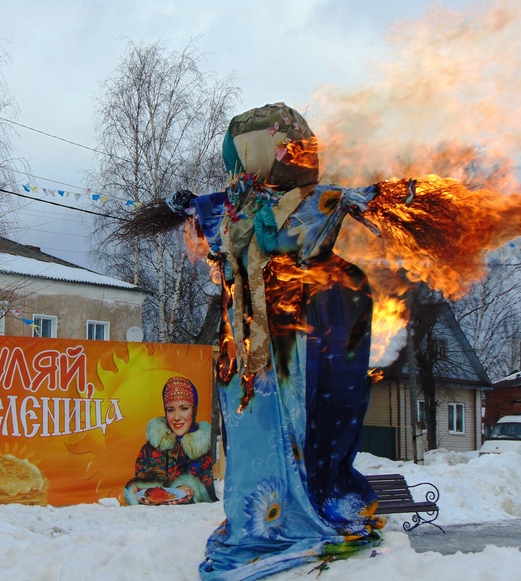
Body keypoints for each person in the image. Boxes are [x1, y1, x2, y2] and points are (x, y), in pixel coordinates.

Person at [118, 103, 400, 579]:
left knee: (307, 424)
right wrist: (181, 209)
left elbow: (358, 206)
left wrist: (384, 199)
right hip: (247, 351)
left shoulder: (316, 199)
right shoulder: (224, 206)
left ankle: (304, 508)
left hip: (300, 339)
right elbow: (207, 243)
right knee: (255, 438)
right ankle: (261, 517)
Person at [123, 376, 217, 505]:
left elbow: (214, 491)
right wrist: (139, 490)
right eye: (171, 410)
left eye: (184, 408)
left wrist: (192, 491)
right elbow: (141, 479)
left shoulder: (206, 448)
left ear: (194, 410)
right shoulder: (151, 449)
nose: (177, 417)